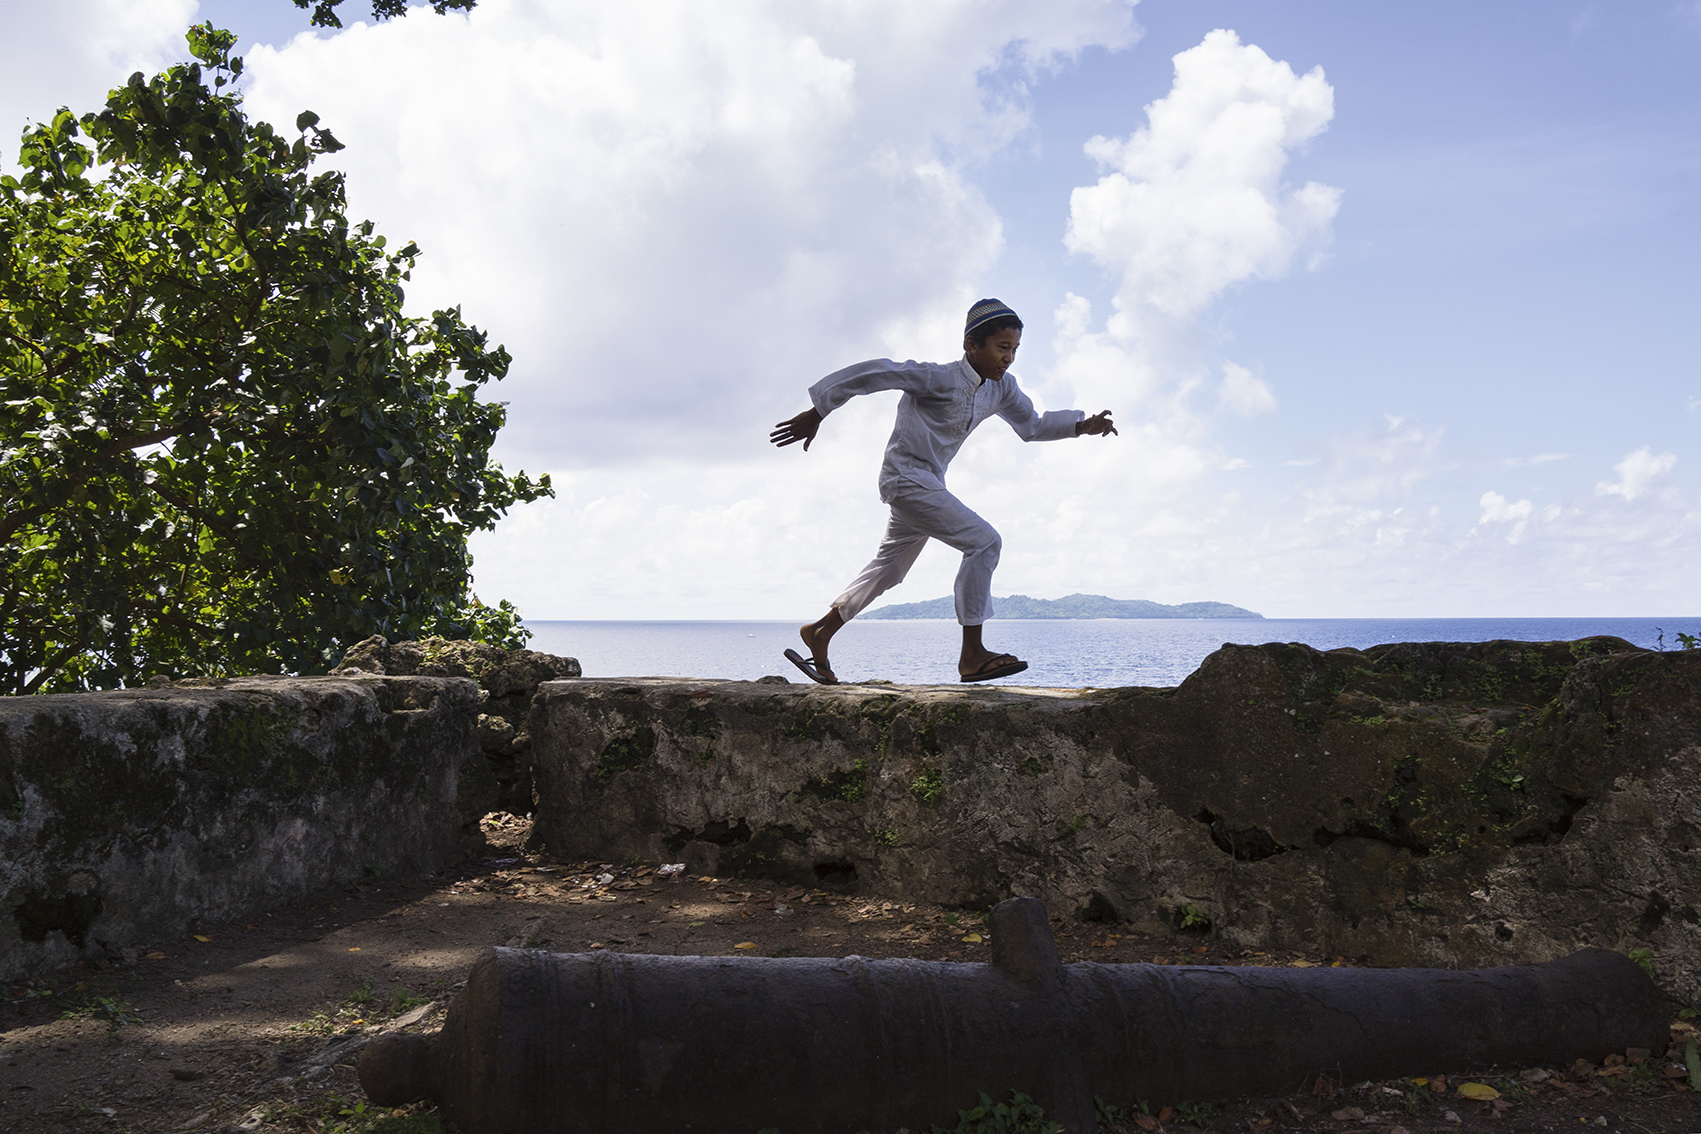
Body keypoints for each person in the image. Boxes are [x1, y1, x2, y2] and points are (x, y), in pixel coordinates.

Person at [770, 298, 1117, 684]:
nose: (1010, 358)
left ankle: (820, 631)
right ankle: (972, 655)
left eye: (1015, 350)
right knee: (984, 542)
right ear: (972, 345)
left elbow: (1032, 426)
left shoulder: (1001, 390)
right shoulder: (938, 378)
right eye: (1003, 348)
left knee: (890, 570)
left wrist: (1081, 426)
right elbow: (875, 373)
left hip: (928, 483)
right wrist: (819, 410)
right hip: (905, 478)